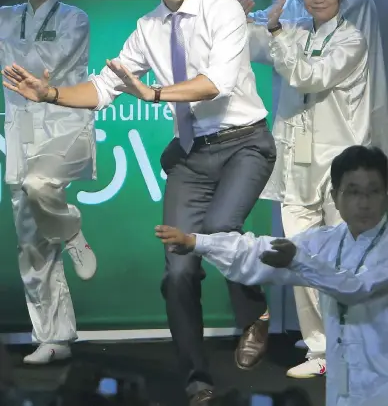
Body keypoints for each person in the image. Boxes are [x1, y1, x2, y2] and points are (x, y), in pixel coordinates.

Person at [1, 0, 276, 405]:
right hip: (193, 153)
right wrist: (51, 93)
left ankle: (256, 310)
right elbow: (104, 89)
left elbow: (217, 83)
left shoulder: (222, 8)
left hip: (244, 143)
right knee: (178, 270)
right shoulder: (148, 29)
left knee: (217, 229)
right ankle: (197, 378)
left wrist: (151, 93)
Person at [235, 0, 386, 378]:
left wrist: (276, 31)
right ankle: (321, 349)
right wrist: (238, 16)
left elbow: (308, 69)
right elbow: (265, 38)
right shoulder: (301, 5)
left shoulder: (355, 1)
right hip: (296, 148)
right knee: (299, 248)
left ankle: (351, 347)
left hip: (342, 150)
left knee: (344, 254)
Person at [156, 145, 388, 406]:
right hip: (341, 388)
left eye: (374, 192)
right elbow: (258, 252)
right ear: (334, 196)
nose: (364, 203)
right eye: (354, 192)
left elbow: (356, 288)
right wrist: (197, 242)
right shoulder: (328, 242)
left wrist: (298, 261)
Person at [0, 0, 97, 364]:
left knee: (41, 184)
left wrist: (9, 51)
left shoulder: (75, 18)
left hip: (65, 130)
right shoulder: (5, 17)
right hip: (20, 134)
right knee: (31, 242)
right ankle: (53, 337)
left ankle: (71, 228)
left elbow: (43, 68)